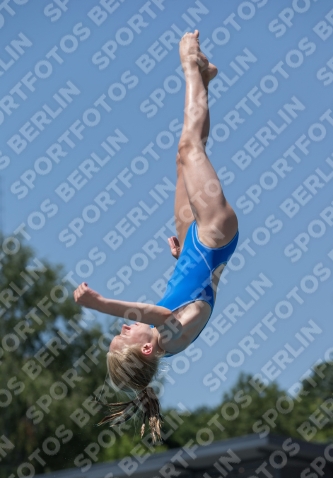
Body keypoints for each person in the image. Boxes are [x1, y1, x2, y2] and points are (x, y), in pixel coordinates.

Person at [74, 31, 239, 442]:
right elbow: (156, 311)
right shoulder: (172, 335)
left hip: (193, 248)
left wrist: (182, 259)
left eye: (121, 329)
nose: (124, 328)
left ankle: (203, 77)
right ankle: (190, 66)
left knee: (185, 153)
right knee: (188, 149)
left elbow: (201, 290)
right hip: (215, 234)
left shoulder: (171, 340)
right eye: (124, 335)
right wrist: (100, 303)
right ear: (147, 349)